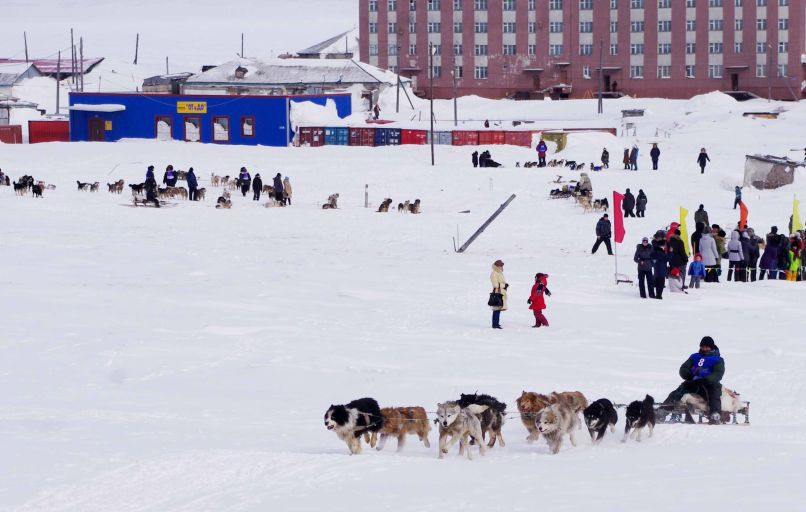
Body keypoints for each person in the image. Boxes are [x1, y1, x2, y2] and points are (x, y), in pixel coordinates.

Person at [671, 337, 725, 424]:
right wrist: (689, 375)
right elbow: (684, 368)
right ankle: (663, 409)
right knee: (677, 392)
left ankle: (715, 414)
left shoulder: (718, 359)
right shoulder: (694, 356)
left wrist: (706, 380)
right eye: (703, 347)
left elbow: (718, 374)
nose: (705, 349)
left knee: (714, 394)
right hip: (694, 382)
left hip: (709, 384)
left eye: (707, 347)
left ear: (712, 347)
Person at [490, 260, 507, 329]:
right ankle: (495, 324)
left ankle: (496, 323)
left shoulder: (499, 273)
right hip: (497, 293)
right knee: (496, 309)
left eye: (502, 265)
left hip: (500, 293)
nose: (502, 267)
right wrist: (504, 285)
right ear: (497, 266)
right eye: (501, 265)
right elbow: (495, 285)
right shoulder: (494, 273)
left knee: (498, 309)